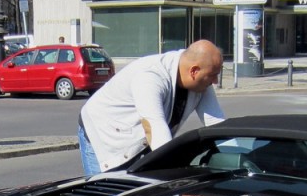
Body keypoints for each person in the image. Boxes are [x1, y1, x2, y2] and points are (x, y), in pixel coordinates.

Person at [77, 39, 225, 176]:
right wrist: (174, 175)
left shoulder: (201, 82)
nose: (215, 81)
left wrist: (239, 158)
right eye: (213, 75)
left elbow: (217, 122)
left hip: (139, 140)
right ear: (194, 71)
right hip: (103, 133)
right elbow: (155, 128)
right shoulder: (150, 76)